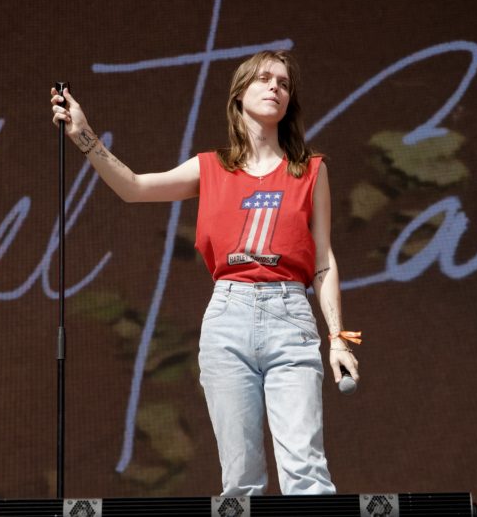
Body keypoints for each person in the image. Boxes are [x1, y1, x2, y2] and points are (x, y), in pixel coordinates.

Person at [50, 50, 360, 496]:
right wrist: (85, 137)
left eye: (284, 83)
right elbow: (134, 188)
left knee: (307, 475)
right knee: (241, 483)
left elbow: (324, 259)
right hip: (227, 318)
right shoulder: (211, 167)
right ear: (239, 95)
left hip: (291, 315)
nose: (275, 87)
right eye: (264, 79)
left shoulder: (310, 170)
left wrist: (337, 338)